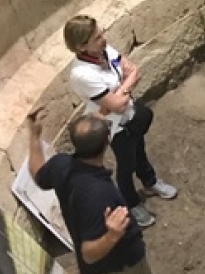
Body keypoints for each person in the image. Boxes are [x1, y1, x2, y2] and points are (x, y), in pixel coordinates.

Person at [63, 15, 177, 228]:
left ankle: (150, 182)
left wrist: (120, 91)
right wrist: (122, 91)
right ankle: (131, 202)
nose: (104, 39)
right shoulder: (82, 74)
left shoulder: (101, 50)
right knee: (127, 162)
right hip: (113, 126)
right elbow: (117, 105)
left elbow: (133, 71)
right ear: (82, 46)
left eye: (101, 33)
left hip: (128, 114)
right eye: (98, 37)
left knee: (140, 149)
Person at [28, 110, 154, 274]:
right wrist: (112, 235)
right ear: (107, 141)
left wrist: (34, 137)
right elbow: (88, 253)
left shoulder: (60, 164)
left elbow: (38, 174)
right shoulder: (98, 194)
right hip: (120, 267)